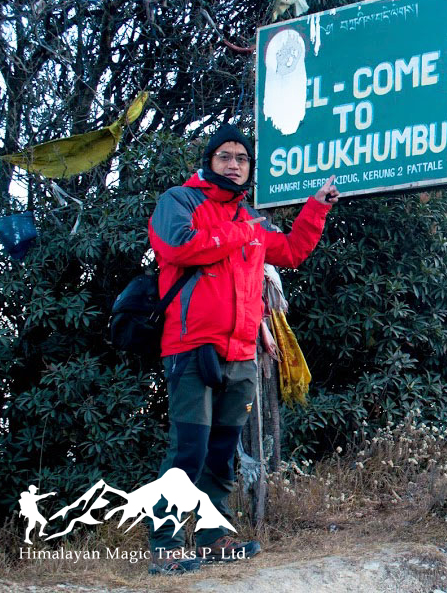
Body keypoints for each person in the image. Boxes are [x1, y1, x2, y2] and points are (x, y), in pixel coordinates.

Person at [145, 124, 339, 574]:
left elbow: (290, 251)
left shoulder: (250, 217)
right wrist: (240, 231)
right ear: (209, 161)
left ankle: (213, 539)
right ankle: (165, 546)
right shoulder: (180, 201)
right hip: (191, 346)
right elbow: (178, 246)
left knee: (221, 451)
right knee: (188, 450)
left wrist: (316, 207)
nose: (234, 165)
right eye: (225, 156)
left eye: (242, 158)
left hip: (241, 353)